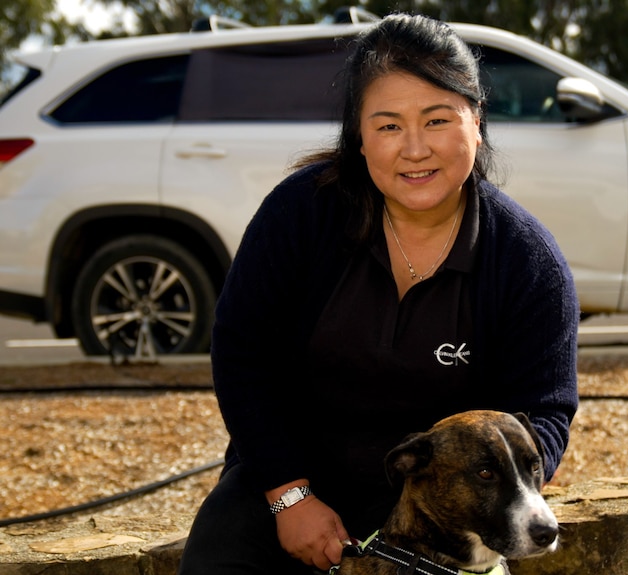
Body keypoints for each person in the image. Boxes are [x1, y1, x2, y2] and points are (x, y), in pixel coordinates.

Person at [178, 12, 578, 575]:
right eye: (389, 126)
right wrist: (289, 496)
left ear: (477, 122)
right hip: (283, 479)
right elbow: (243, 353)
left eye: (438, 120)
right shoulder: (301, 214)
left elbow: (546, 409)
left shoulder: (527, 262)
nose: (414, 149)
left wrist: (498, 507)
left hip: (440, 512)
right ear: (359, 138)